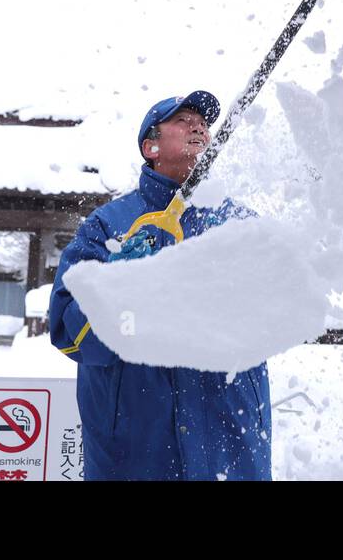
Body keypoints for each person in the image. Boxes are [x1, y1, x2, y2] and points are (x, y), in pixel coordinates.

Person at [48, 90, 271, 480]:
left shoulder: (239, 223)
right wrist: (117, 281)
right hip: (137, 453)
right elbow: (68, 331)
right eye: (183, 120)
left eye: (203, 123)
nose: (199, 127)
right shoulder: (108, 225)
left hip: (228, 447)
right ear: (151, 146)